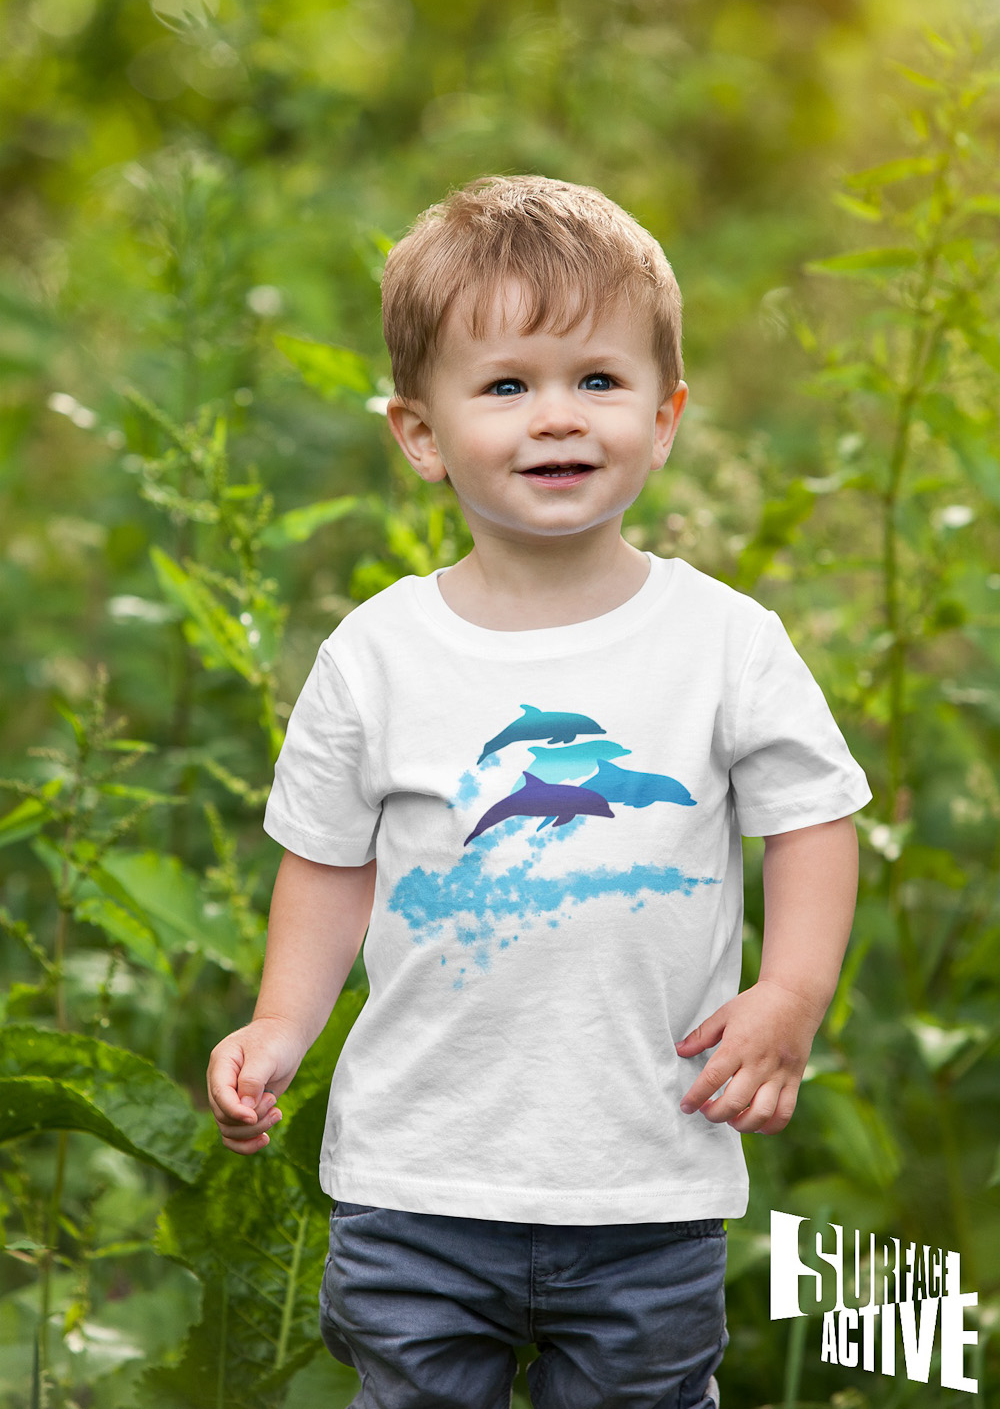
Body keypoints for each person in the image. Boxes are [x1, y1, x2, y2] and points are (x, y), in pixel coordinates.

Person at [206, 174, 871, 1408]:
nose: (555, 417)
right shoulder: (378, 654)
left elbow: (811, 818)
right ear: (419, 433)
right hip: (416, 1181)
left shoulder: (725, 643)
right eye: (507, 385)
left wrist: (792, 991)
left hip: (644, 1181)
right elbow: (329, 856)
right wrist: (282, 1022)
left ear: (665, 416)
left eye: (597, 381)